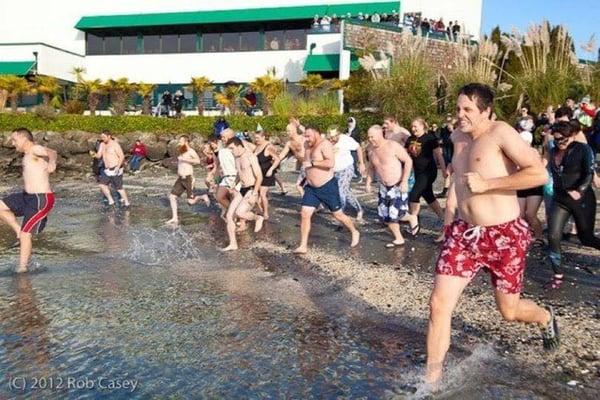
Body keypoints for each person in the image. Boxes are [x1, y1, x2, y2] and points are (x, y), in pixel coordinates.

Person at [427, 83, 559, 385]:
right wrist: (450, 215)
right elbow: (459, 182)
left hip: (504, 236)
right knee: (438, 305)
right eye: (458, 108)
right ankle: (431, 383)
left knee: (508, 311)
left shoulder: (500, 133)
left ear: (486, 111)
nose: (460, 115)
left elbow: (538, 173)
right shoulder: (456, 136)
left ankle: (545, 317)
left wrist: (489, 184)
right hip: (464, 233)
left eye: (468, 110)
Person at [546, 121, 600, 289]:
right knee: (553, 236)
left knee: (586, 238)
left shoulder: (583, 149)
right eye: (556, 140)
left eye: (563, 140)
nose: (559, 143)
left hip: (582, 200)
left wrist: (580, 190)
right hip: (561, 199)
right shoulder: (553, 150)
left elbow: (589, 172)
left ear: (572, 136)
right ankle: (557, 275)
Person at [294, 127, 360, 254]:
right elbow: (304, 160)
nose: (306, 139)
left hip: (327, 186)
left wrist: (313, 163)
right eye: (305, 136)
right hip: (311, 188)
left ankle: (354, 231)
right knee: (305, 214)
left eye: (309, 136)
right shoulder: (307, 144)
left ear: (317, 134)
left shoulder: (325, 145)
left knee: (338, 215)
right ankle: (303, 245)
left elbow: (330, 163)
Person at [0, 128, 56, 273]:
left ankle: (22, 268)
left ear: (24, 138)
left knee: (26, 234)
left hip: (41, 198)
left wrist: (52, 163)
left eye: (14, 139)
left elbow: (52, 152)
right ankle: (18, 231)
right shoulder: (26, 154)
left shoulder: (34, 149)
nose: (13, 143)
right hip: (27, 197)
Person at [365, 125, 419, 246]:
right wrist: (368, 182)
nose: (370, 139)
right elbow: (371, 168)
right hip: (384, 187)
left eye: (372, 137)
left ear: (380, 134)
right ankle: (410, 218)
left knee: (392, 214)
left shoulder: (392, 145)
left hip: (397, 184)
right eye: (368, 137)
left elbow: (408, 161)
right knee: (385, 215)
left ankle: (399, 238)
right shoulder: (371, 150)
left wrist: (405, 181)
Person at [222, 137, 264, 251]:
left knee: (240, 212)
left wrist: (255, 194)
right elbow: (239, 173)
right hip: (242, 189)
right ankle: (233, 244)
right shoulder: (236, 157)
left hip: (252, 189)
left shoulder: (251, 156)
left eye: (232, 148)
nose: (231, 151)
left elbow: (259, 176)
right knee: (229, 216)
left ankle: (258, 218)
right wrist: (234, 185)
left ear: (239, 146)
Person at [406, 118, 447, 226]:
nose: (413, 129)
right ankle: (443, 218)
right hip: (418, 172)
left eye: (415, 126)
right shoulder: (410, 139)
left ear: (422, 126)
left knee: (414, 195)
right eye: (412, 127)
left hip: (428, 171)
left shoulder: (430, 138)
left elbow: (439, 155)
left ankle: (414, 223)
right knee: (428, 195)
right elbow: (405, 156)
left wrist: (444, 171)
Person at [166, 136, 210, 225]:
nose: (179, 143)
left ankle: (202, 196)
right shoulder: (181, 151)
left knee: (190, 202)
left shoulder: (191, 151)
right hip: (180, 178)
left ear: (186, 142)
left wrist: (184, 159)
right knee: (172, 197)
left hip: (188, 178)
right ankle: (175, 218)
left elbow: (197, 161)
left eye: (180, 141)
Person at [515, 116, 544, 243]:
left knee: (531, 215)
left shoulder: (534, 153)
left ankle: (539, 237)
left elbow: (536, 169)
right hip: (521, 185)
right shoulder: (515, 153)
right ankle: (523, 236)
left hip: (534, 186)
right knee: (519, 215)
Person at [327, 127, 365, 221]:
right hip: (334, 170)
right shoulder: (327, 141)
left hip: (346, 168)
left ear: (338, 135)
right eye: (330, 138)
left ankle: (341, 214)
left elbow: (358, 148)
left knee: (341, 190)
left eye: (333, 138)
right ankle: (359, 209)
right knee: (346, 191)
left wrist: (361, 163)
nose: (331, 140)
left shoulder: (345, 139)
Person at [93, 132, 131, 208]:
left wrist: (118, 167)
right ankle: (111, 201)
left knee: (119, 188)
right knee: (102, 185)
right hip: (106, 169)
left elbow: (121, 156)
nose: (102, 139)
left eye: (104, 137)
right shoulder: (102, 144)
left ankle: (127, 203)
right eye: (101, 137)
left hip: (116, 168)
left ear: (109, 136)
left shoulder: (115, 145)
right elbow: (99, 155)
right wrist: (94, 155)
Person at [271, 118, 307, 196]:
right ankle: (310, 204)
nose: (287, 133)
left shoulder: (302, 138)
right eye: (287, 131)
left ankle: (314, 204)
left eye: (289, 131)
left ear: (294, 130)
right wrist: (275, 159)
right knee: (300, 186)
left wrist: (299, 125)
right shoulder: (289, 143)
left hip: (310, 164)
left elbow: (309, 133)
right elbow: (282, 155)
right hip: (303, 167)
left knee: (303, 186)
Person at [255, 131, 280, 220]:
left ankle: (265, 213)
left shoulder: (268, 147)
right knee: (255, 193)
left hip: (266, 174)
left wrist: (271, 169)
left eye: (257, 138)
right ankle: (260, 210)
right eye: (255, 138)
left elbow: (277, 159)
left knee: (262, 194)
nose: (256, 139)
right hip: (258, 174)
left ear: (263, 137)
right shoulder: (257, 146)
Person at [437, 115, 455, 198]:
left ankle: (449, 191)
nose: (449, 128)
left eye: (450, 126)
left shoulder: (459, 132)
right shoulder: (444, 131)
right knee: (447, 173)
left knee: (454, 173)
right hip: (447, 154)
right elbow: (440, 140)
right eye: (448, 126)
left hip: (455, 155)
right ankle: (445, 191)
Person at [347, 116, 362, 181]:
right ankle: (353, 175)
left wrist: (349, 135)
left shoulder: (356, 130)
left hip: (355, 149)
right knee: (350, 163)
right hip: (348, 149)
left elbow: (354, 138)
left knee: (354, 162)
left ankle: (358, 175)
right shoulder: (347, 129)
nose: (349, 124)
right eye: (349, 122)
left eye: (351, 122)